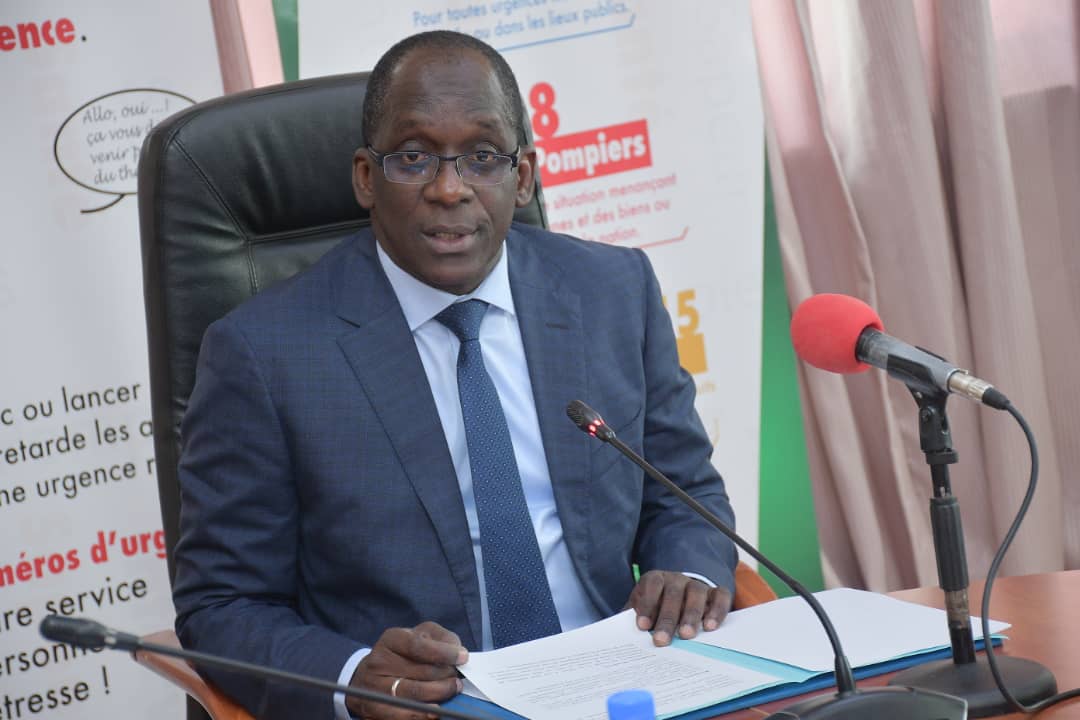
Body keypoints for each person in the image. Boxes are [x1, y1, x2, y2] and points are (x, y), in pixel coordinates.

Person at [172, 30, 738, 720]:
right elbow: (223, 604)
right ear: (366, 177)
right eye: (413, 158)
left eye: (482, 156)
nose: (449, 189)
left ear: (522, 177)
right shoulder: (264, 354)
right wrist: (354, 677)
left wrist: (689, 572)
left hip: (622, 682)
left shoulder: (612, 292)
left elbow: (684, 492)